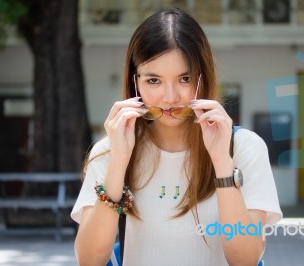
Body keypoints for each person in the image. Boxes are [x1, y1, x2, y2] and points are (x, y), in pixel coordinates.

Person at [71, 7, 282, 266]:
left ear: (203, 79)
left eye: (184, 78)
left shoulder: (244, 147)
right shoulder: (110, 150)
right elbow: (89, 260)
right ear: (134, 82)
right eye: (153, 80)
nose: (170, 97)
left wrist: (221, 161)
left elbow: (246, 259)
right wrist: (119, 161)